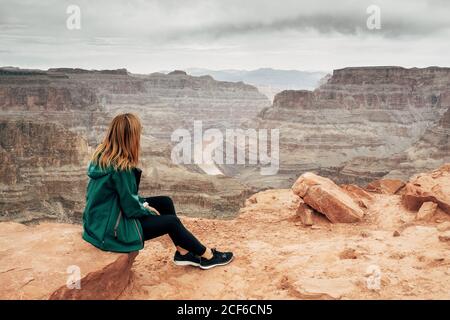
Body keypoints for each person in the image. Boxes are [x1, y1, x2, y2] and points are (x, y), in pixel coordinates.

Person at [82, 113, 233, 270]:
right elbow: (131, 209)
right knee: (171, 222)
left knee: (164, 202)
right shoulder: (121, 168)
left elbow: (122, 197)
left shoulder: (101, 156)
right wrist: (147, 210)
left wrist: (144, 204)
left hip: (99, 222)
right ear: (130, 138)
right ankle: (207, 256)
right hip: (112, 231)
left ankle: (183, 252)